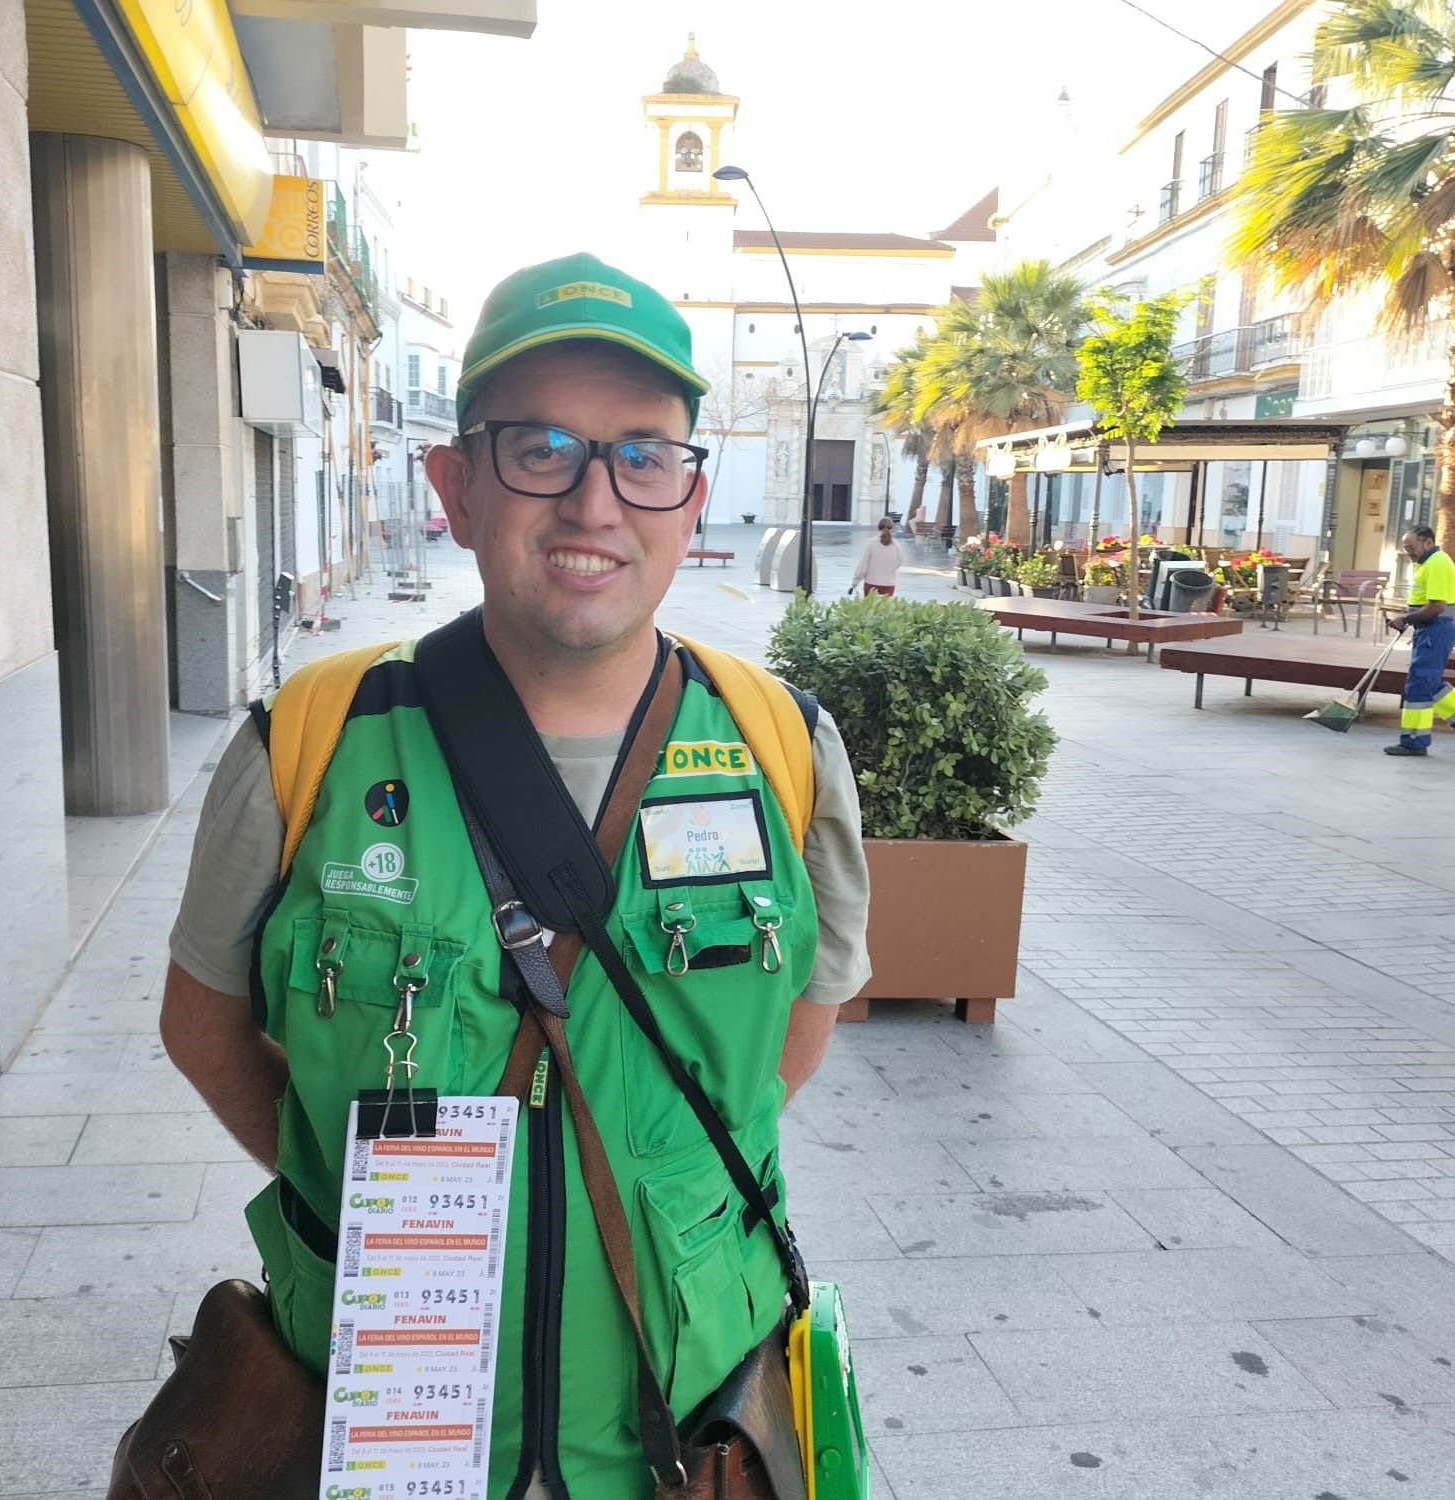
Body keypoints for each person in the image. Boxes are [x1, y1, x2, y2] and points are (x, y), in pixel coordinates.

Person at [159, 252, 872, 1499]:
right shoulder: (310, 742)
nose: (595, 503)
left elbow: (797, 1029)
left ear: (688, 500)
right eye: (540, 445)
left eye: (642, 454)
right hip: (382, 1418)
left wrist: (657, 1182)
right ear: (456, 481)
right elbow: (201, 1022)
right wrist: (353, 1193)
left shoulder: (782, 748)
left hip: (685, 1429)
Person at [1384, 524, 1455, 757]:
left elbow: (1437, 606)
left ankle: (1414, 741)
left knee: (1419, 684)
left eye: (1411, 547)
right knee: (1429, 682)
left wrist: (1406, 618)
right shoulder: (1428, 563)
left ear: (1428, 542)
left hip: (1436, 629)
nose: (1409, 553)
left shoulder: (1437, 563)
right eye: (1405, 548)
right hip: (1430, 630)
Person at [851, 514, 900, 595]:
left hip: (871, 583)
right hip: (889, 584)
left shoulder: (870, 543)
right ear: (892, 528)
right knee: (886, 607)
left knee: (870, 607)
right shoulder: (896, 545)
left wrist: (855, 582)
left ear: (878, 528)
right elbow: (899, 563)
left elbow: (863, 565)